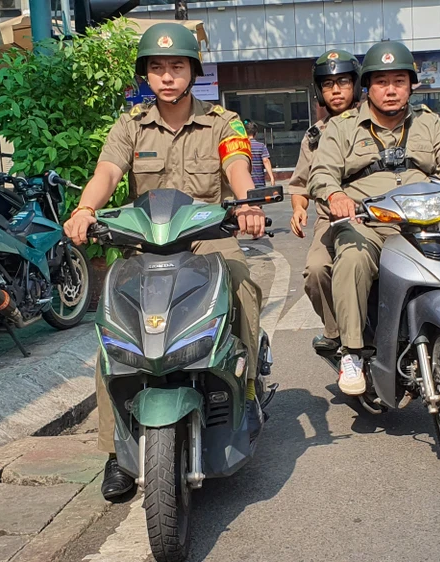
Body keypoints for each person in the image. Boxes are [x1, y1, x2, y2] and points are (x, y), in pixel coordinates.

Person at [62, 23, 266, 501]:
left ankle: (249, 392)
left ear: (192, 71)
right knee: (114, 332)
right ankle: (116, 450)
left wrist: (248, 205)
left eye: (177, 67)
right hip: (146, 245)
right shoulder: (130, 125)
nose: (168, 76)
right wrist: (85, 209)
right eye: (157, 68)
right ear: (146, 75)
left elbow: (237, 166)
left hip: (206, 239)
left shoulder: (222, 122)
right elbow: (107, 172)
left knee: (242, 287)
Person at [307, 39, 440, 395]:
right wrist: (336, 195)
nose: (390, 90)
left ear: (411, 85)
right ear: (368, 88)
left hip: (419, 223)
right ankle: (353, 352)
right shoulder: (343, 126)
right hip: (368, 223)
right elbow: (322, 172)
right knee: (351, 259)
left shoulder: (428, 123)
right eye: (381, 82)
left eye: (398, 81)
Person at [287, 49, 361, 354]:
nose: (336, 90)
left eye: (342, 82)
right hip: (331, 220)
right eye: (328, 84)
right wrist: (298, 209)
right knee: (316, 271)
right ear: (319, 91)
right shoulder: (314, 136)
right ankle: (337, 333)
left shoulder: (374, 121)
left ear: (355, 85)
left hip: (381, 215)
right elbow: (300, 184)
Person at [246, 122, 276, 187]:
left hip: (246, 183)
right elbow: (266, 160)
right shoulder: (261, 146)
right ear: (256, 133)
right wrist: (272, 177)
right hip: (259, 182)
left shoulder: (243, 147)